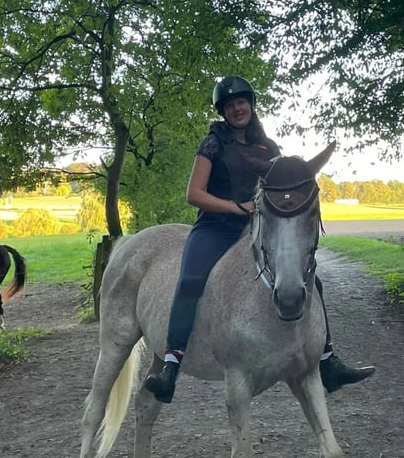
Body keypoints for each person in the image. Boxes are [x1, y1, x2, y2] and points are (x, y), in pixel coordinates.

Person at [144, 76, 375, 403]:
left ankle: (328, 361)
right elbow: (193, 194)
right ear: (223, 111)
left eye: (242, 102)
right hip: (214, 227)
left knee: (311, 279)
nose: (237, 108)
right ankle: (171, 364)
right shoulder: (213, 143)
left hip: (256, 226)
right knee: (191, 279)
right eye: (230, 104)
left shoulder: (269, 148)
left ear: (251, 105)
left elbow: (282, 193)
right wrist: (237, 206)